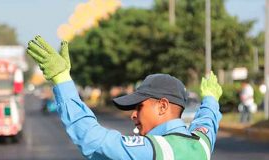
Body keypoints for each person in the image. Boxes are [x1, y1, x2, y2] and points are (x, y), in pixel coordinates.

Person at [27, 35, 223, 160]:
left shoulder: (154, 150)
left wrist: (61, 80)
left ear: (163, 106)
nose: (133, 115)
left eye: (139, 107)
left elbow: (91, 138)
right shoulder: (201, 143)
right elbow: (208, 120)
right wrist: (211, 99)